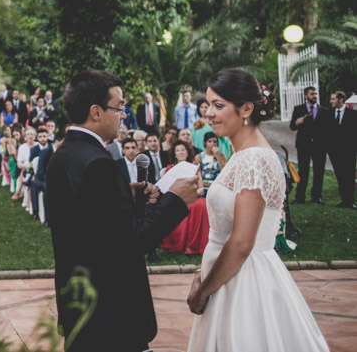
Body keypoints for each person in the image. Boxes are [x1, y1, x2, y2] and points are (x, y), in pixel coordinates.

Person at [46, 70, 199, 352]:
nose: (124, 115)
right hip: (112, 314)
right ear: (96, 111)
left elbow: (88, 221)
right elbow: (131, 242)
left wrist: (125, 197)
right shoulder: (99, 163)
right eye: (119, 107)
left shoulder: (63, 155)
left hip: (80, 303)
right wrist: (176, 199)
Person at [187, 68, 329, 351]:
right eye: (209, 106)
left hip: (242, 282)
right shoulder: (245, 155)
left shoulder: (254, 160)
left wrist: (202, 293)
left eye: (219, 106)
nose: (210, 114)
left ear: (246, 109)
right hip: (226, 274)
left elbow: (241, 242)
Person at [289, 86, 331, 204]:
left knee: (319, 171)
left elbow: (328, 129)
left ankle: (317, 196)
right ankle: (300, 196)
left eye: (316, 94)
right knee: (303, 171)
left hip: (319, 145)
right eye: (312, 94)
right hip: (304, 144)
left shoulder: (324, 110)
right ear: (306, 96)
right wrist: (298, 122)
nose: (315, 96)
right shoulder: (299, 109)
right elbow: (292, 127)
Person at [329, 91, 357, 209]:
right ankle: (343, 199)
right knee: (340, 175)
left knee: (349, 175)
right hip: (334, 151)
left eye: (333, 99)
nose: (331, 101)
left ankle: (349, 200)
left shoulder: (353, 114)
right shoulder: (329, 114)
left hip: (349, 150)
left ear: (340, 100)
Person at [200, 132, 226, 196]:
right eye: (210, 141)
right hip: (205, 188)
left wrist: (217, 156)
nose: (212, 144)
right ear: (205, 143)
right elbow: (198, 175)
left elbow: (225, 172)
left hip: (218, 189)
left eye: (215, 142)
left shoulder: (222, 156)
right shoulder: (199, 156)